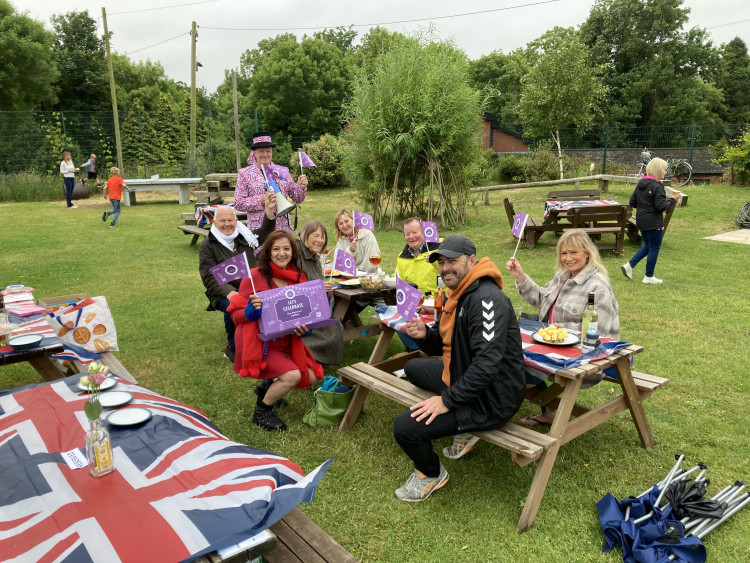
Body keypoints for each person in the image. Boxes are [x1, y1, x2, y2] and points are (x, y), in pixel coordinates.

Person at [394, 235, 525, 501]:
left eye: (452, 261)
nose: (445, 268)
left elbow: (487, 367)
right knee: (414, 367)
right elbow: (445, 347)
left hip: (491, 399)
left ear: (472, 261)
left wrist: (447, 400)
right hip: (466, 378)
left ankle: (431, 474)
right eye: (441, 262)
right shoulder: (459, 294)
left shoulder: (486, 299)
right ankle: (460, 427)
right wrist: (424, 337)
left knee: (404, 428)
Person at [506, 229, 620, 426]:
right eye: (564, 253)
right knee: (510, 360)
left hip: (584, 357)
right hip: (552, 348)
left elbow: (599, 334)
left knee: (516, 366)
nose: (568, 258)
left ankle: (544, 409)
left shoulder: (598, 286)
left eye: (574, 252)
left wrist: (563, 343)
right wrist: (520, 277)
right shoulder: (563, 276)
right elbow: (541, 299)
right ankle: (549, 410)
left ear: (587, 253)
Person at [228, 231, 324, 431]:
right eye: (276, 249)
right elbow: (235, 316)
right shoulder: (254, 277)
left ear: (293, 252)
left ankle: (266, 387)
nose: (282, 253)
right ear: (268, 252)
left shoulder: (299, 278)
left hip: (285, 341)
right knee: (293, 376)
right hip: (258, 341)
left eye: (286, 249)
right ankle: (262, 411)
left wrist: (304, 330)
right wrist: (250, 312)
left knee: (313, 375)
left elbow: (305, 316)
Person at [199, 195, 277, 362]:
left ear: (236, 220)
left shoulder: (244, 235)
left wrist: (269, 211)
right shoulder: (208, 245)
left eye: (230, 220)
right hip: (223, 292)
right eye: (222, 221)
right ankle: (232, 347)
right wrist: (229, 293)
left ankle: (266, 338)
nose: (227, 224)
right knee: (233, 307)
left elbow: (265, 233)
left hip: (251, 288)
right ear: (214, 223)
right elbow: (208, 276)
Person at [234, 132, 308, 233]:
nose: (265, 154)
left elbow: (298, 198)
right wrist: (260, 200)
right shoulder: (245, 173)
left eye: (268, 151)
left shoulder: (282, 171)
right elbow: (238, 203)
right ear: (254, 153)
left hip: (283, 229)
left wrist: (301, 187)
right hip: (259, 230)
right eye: (261, 151)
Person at [621, 158, 680, 284]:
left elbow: (632, 202)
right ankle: (649, 276)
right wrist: (673, 199)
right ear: (659, 170)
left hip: (641, 220)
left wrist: (644, 207)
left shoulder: (641, 184)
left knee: (648, 245)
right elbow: (661, 207)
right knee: (654, 248)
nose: (665, 172)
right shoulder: (657, 187)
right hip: (653, 222)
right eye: (664, 170)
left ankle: (629, 266)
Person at [296, 221, 343, 367]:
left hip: (312, 309)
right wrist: (318, 288)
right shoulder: (297, 255)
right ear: (305, 235)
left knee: (337, 327)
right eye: (315, 236)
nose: (320, 240)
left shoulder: (314, 258)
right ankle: (310, 360)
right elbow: (294, 287)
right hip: (299, 311)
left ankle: (318, 361)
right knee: (335, 328)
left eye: (322, 237)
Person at [395, 217, 440, 351]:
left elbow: (451, 274)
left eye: (415, 232)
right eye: (407, 234)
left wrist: (437, 259)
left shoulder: (440, 249)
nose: (411, 237)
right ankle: (418, 351)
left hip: (440, 303)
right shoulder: (402, 257)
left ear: (424, 232)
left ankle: (427, 351)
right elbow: (401, 286)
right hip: (416, 306)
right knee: (397, 322)